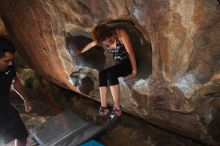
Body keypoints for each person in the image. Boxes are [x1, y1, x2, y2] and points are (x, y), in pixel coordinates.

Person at [74, 24, 137, 123]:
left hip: (128, 63)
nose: (105, 43)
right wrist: (80, 51)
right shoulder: (103, 38)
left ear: (108, 34)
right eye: (103, 42)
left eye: (105, 41)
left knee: (112, 73)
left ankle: (117, 108)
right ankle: (103, 108)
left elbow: (131, 53)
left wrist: (134, 72)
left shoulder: (120, 33)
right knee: (102, 74)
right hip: (119, 64)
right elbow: (92, 44)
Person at [0, 37, 32, 146]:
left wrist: (25, 99)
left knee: (23, 138)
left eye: (11, 60)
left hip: (8, 109)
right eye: (6, 61)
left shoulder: (9, 67)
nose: (10, 63)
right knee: (10, 142)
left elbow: (15, 81)